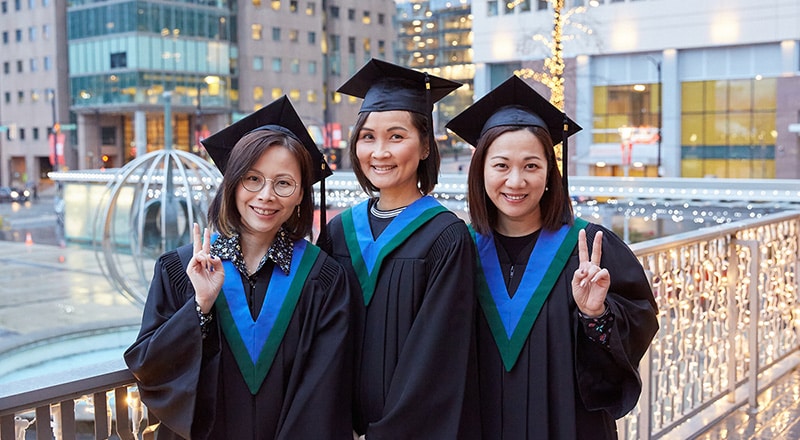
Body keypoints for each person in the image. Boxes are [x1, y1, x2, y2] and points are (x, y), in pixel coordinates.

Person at [124, 96, 353, 439]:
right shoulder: (181, 269)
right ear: (232, 185)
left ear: (300, 196)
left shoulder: (322, 277)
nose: (266, 196)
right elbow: (150, 365)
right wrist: (199, 307)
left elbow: (324, 390)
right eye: (253, 179)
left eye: (284, 183)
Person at [446, 75, 659, 439]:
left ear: (549, 174)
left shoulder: (590, 248)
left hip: (570, 426)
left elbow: (637, 325)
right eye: (501, 165)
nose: (516, 181)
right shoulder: (458, 251)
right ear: (479, 170)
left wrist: (597, 315)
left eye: (531, 165)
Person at [321, 58, 481, 439]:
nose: (379, 152)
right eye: (367, 137)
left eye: (396, 136)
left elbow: (438, 357)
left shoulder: (446, 237)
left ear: (425, 146)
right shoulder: (339, 232)